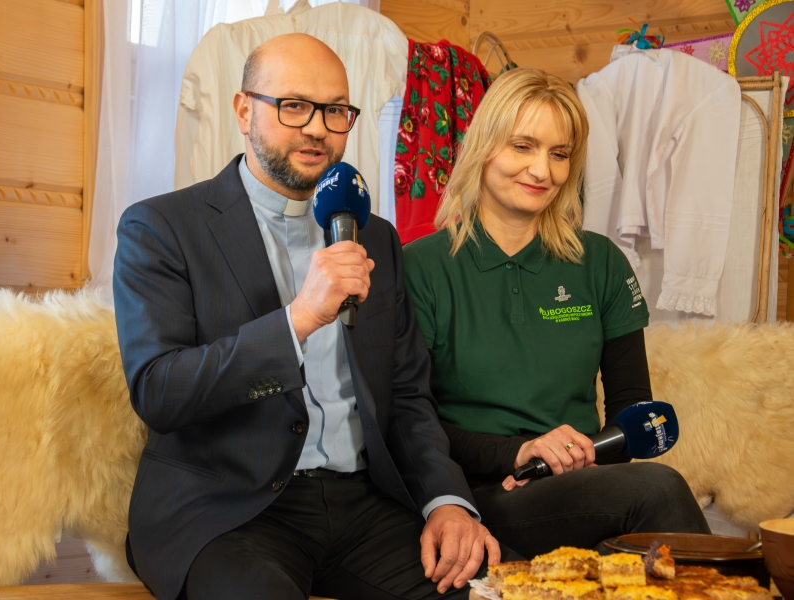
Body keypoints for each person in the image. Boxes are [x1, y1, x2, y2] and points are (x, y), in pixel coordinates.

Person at [113, 33, 513, 600]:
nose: (318, 128)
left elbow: (406, 397)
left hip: (365, 506)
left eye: (335, 111)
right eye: (294, 106)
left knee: (509, 591)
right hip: (227, 513)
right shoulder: (160, 227)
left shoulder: (374, 236)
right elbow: (159, 391)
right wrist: (297, 320)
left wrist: (446, 502)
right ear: (243, 110)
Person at [403, 67, 711, 560]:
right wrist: (520, 452)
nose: (542, 171)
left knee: (647, 515)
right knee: (658, 490)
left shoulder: (601, 262)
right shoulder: (420, 267)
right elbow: (407, 420)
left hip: (578, 484)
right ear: (484, 146)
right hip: (476, 494)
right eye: (522, 146)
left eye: (559, 154)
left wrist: (587, 455)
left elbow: (632, 411)